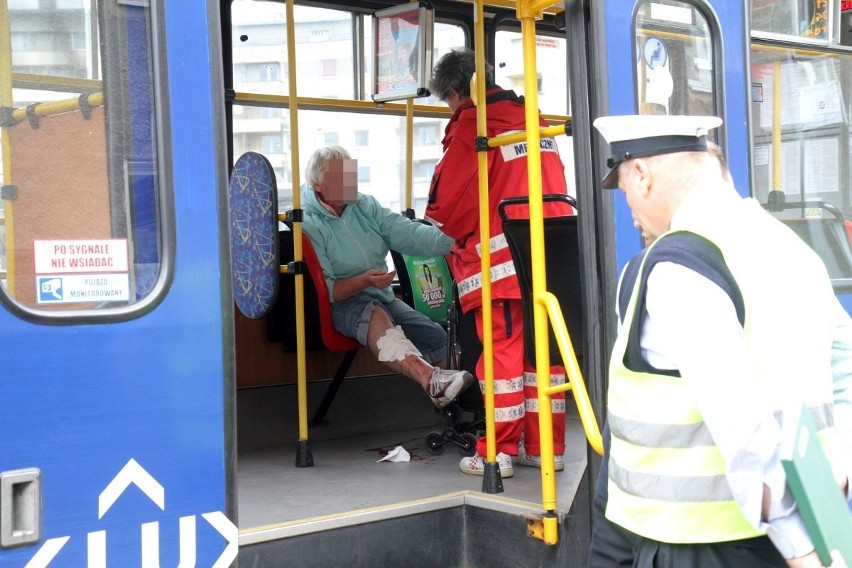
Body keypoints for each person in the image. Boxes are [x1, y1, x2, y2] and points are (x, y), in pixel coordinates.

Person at [589, 114, 851, 567]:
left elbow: (740, 421)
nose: (629, 207)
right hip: (809, 517)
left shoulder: (676, 266)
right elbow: (843, 356)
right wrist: (840, 458)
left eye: (624, 188)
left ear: (642, 174)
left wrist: (803, 548)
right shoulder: (789, 245)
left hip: (695, 542)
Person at [424, 47, 574, 478]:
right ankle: (546, 447)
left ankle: (498, 453)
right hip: (552, 255)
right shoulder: (534, 118)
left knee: (502, 358)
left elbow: (446, 208)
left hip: (502, 262)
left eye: (449, 100)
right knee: (541, 354)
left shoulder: (475, 125)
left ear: (456, 91)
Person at [301, 145, 473, 409]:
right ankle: (430, 380)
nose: (350, 181)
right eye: (340, 176)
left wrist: (457, 238)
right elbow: (331, 291)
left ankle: (459, 408)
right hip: (341, 305)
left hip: (380, 296)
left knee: (438, 338)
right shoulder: (309, 222)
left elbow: (408, 233)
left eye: (351, 173)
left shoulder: (366, 205)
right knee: (375, 314)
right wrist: (365, 280)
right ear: (317, 184)